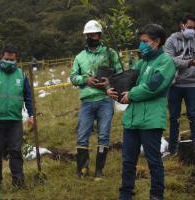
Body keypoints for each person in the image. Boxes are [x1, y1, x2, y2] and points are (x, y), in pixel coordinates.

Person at [107, 24, 176, 200]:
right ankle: (125, 195)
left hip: (151, 120)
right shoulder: (141, 63)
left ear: (157, 41)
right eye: (141, 41)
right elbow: (126, 84)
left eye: (145, 41)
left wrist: (132, 94)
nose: (142, 45)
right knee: (128, 161)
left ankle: (156, 196)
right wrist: (112, 91)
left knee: (153, 161)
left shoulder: (165, 62)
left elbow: (154, 87)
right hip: (132, 119)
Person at [70, 20, 122, 179]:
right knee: (82, 135)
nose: (91, 37)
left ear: (100, 36)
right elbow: (73, 77)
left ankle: (99, 170)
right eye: (88, 35)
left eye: (94, 34)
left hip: (105, 100)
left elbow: (120, 74)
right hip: (86, 102)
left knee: (104, 135)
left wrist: (110, 82)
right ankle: (82, 169)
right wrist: (85, 80)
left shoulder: (110, 53)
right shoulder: (79, 57)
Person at [0, 45, 34, 188]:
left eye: (12, 59)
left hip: (15, 120)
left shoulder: (21, 75)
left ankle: (19, 182)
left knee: (15, 151)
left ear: (16, 59)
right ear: (1, 57)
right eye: (6, 59)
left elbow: (28, 97)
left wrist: (31, 115)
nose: (9, 61)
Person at [164, 14, 195, 155]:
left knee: (193, 115)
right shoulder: (172, 40)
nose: (192, 30)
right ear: (182, 26)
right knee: (174, 117)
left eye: (194, 28)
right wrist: (188, 63)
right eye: (189, 27)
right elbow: (169, 60)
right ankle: (172, 149)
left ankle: (193, 147)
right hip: (175, 84)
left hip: (192, 84)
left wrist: (181, 62)